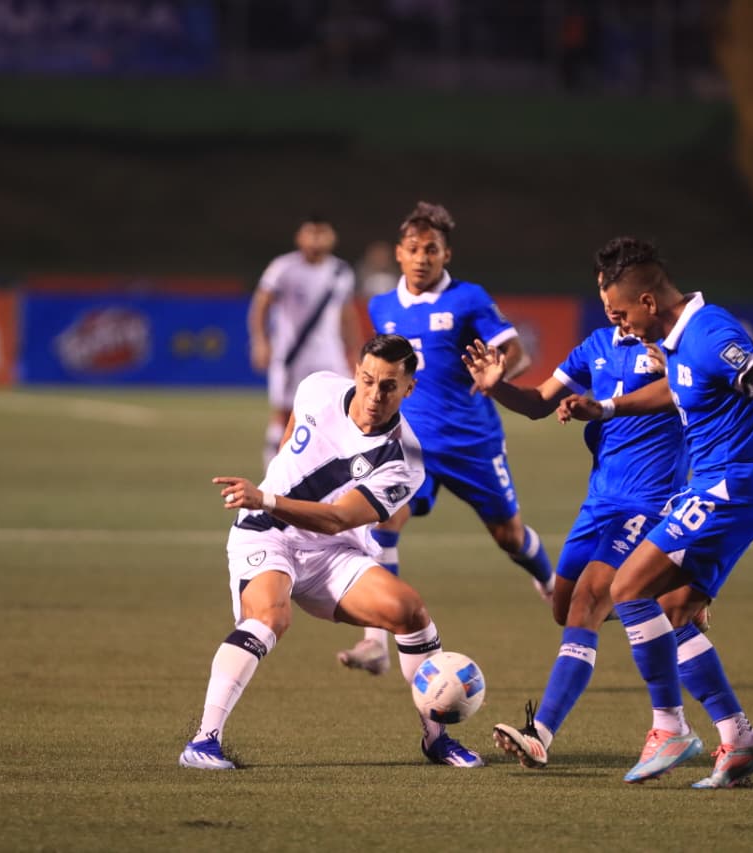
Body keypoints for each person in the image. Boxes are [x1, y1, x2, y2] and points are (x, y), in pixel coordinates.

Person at [558, 237, 753, 789]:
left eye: (621, 314)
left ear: (647, 301)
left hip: (728, 489)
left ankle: (668, 727)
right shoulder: (679, 340)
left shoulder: (712, 335)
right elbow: (682, 389)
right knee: (672, 610)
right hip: (719, 488)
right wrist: (611, 406)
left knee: (628, 588)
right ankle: (738, 739)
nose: (619, 327)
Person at [179, 334, 483, 771]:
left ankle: (436, 738)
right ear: (356, 372)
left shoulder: (405, 462)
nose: (374, 394)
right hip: (267, 533)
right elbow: (288, 443)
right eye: (367, 380)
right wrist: (268, 502)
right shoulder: (317, 386)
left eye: (389, 386)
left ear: (409, 388)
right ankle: (204, 741)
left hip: (332, 549)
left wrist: (265, 497)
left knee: (410, 612)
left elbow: (339, 519)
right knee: (269, 618)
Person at [461, 271, 713, 770]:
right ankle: (668, 599)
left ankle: (541, 732)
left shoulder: (674, 346)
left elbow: (702, 401)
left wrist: (680, 371)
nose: (610, 309)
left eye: (616, 300)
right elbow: (537, 403)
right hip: (599, 503)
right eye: (603, 298)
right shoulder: (596, 346)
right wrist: (497, 387)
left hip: (650, 502)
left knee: (588, 603)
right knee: (565, 607)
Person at [335, 201, 556, 676]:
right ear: (398, 253)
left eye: (431, 249)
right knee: (383, 521)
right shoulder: (382, 306)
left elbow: (513, 351)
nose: (422, 258)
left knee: (509, 536)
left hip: (471, 441)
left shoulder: (469, 298)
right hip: (410, 443)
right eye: (413, 249)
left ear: (446, 254)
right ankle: (376, 640)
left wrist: (499, 374)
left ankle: (551, 582)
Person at [249, 215, 364, 467]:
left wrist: (356, 349)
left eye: (322, 233)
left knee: (344, 409)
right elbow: (261, 305)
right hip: (291, 355)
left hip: (329, 354)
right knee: (285, 412)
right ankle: (274, 469)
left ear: (332, 237)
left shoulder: (340, 271)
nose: (316, 239)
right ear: (300, 236)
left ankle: (335, 466)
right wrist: (260, 340)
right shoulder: (283, 268)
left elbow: (346, 314)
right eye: (311, 233)